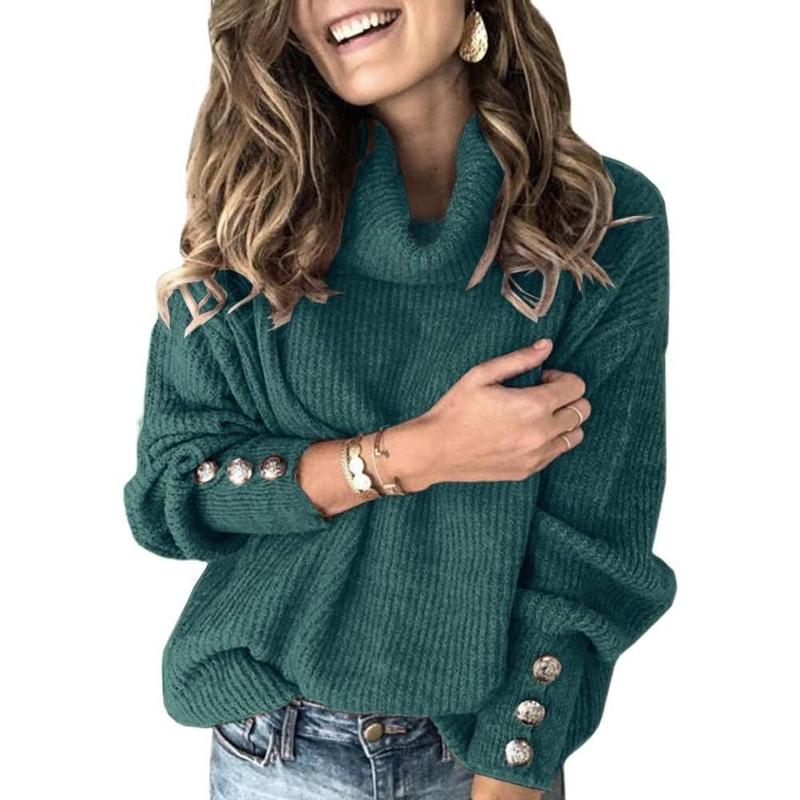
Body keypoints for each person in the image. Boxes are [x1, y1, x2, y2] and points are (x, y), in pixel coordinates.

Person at [123, 1, 677, 798]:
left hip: (488, 746)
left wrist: (512, 766)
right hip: (280, 750)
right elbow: (169, 496)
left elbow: (593, 546)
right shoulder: (256, 220)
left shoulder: (599, 220)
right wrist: (415, 454)